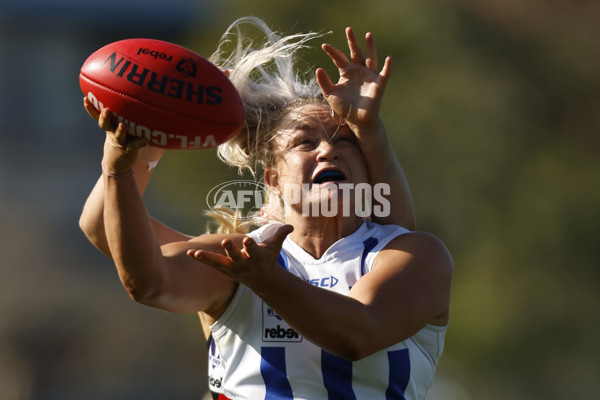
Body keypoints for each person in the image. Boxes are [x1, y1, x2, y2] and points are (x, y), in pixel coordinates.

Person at [79, 16, 452, 400]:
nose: (327, 150)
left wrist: (266, 280)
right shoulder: (237, 258)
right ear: (272, 181)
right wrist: (134, 153)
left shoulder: (412, 254)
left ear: (366, 171)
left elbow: (358, 335)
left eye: (345, 142)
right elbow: (147, 281)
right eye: (304, 143)